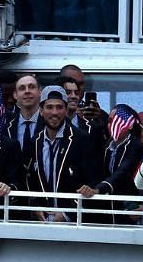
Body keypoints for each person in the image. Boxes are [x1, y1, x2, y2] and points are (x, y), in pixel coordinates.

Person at [20, 86, 98, 222]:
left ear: (66, 110)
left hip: (74, 223)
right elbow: (28, 180)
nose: (54, 112)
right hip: (41, 221)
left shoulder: (82, 139)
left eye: (59, 107)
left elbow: (91, 183)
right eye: (49, 107)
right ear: (41, 111)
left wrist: (67, 214)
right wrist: (34, 207)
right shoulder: (34, 142)